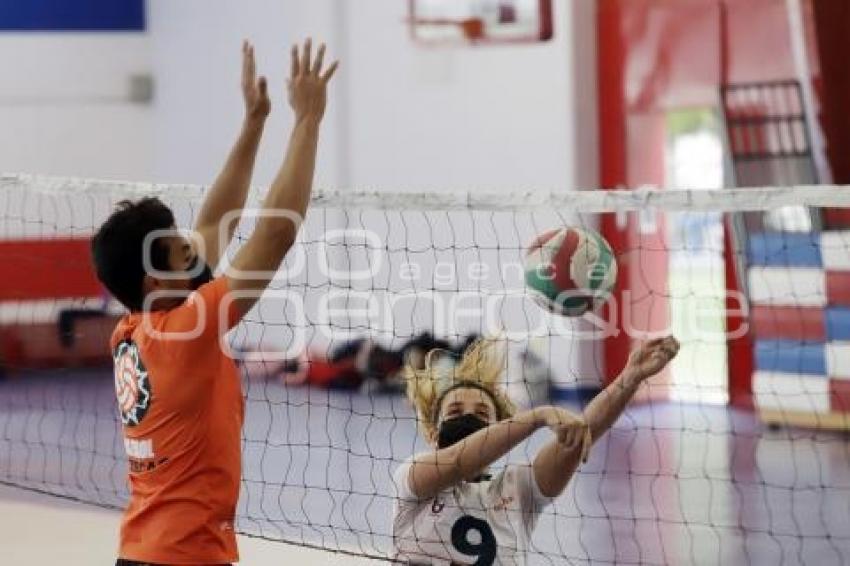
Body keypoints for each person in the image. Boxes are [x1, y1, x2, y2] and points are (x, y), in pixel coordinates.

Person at [90, 39, 338, 565]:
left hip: (143, 550)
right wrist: (308, 119)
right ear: (157, 280)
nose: (196, 249)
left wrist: (253, 122)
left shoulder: (134, 326)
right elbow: (274, 237)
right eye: (182, 253)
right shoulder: (186, 328)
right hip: (184, 559)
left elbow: (211, 226)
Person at [392, 335, 680, 565]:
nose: (469, 418)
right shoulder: (411, 477)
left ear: (498, 429)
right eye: (455, 411)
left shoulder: (518, 488)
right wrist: (537, 416)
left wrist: (629, 378)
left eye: (482, 413)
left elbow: (579, 433)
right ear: (432, 431)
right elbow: (457, 462)